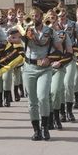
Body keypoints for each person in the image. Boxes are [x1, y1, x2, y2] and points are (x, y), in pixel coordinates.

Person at [19, 10, 59, 141]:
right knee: (32, 101)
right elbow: (13, 35)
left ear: (41, 17)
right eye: (31, 16)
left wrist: (50, 58)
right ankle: (36, 130)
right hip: (29, 68)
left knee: (43, 97)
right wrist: (22, 30)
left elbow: (59, 49)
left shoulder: (50, 31)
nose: (34, 18)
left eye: (36, 16)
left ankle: (45, 127)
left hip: (44, 69)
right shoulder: (26, 30)